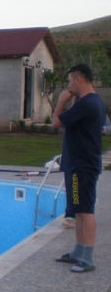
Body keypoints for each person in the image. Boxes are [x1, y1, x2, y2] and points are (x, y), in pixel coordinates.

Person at [52, 64, 106, 273]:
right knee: (77, 209)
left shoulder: (87, 103)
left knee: (85, 211)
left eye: (70, 81)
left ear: (79, 80)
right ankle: (78, 252)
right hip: (77, 165)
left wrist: (61, 101)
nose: (69, 86)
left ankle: (88, 258)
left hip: (82, 167)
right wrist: (73, 99)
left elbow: (56, 122)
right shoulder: (91, 101)